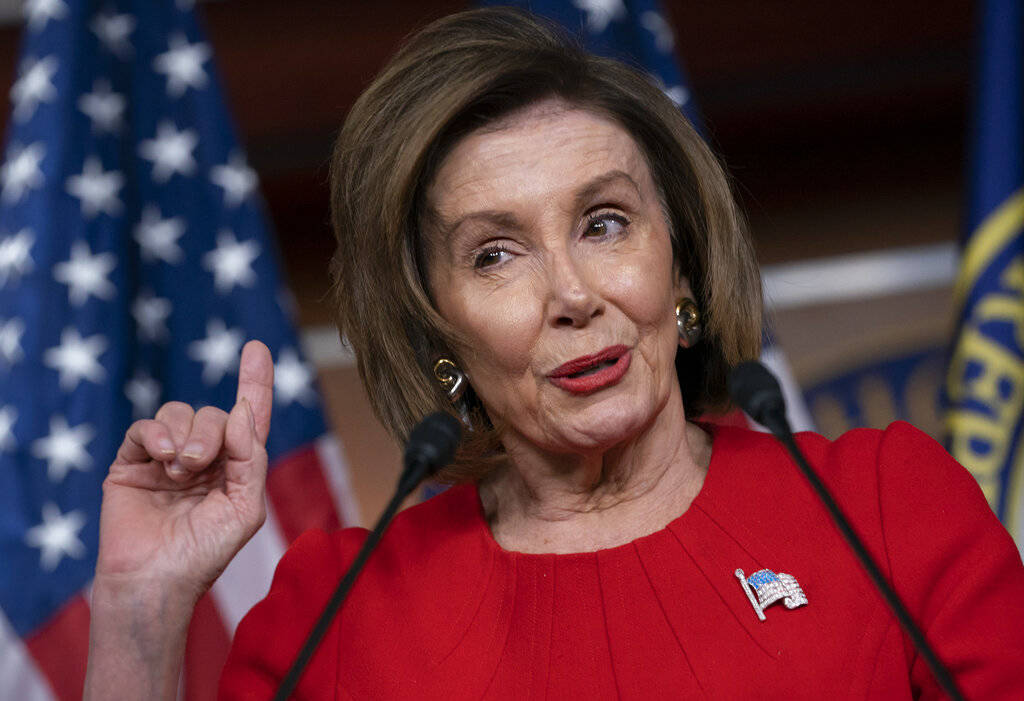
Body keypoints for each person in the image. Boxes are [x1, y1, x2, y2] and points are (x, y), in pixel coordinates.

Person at [84, 8, 1024, 699]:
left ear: (683, 268)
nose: (573, 295)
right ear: (434, 324)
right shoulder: (337, 615)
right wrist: (141, 609)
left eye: (605, 222)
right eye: (495, 253)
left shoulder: (886, 508)